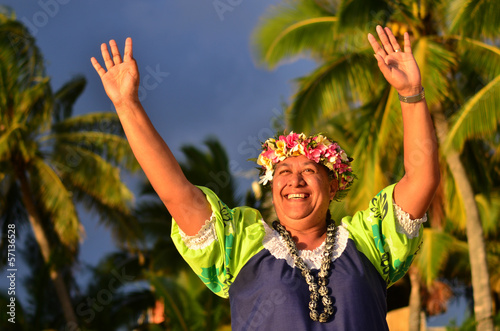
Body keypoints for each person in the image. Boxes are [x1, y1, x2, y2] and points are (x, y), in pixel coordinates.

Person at [91, 25, 439, 330]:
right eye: (284, 172)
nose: (295, 181)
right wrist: (127, 105)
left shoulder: (369, 240)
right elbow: (177, 194)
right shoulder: (240, 245)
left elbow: (422, 178)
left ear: (333, 185)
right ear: (272, 186)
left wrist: (411, 94)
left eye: (308, 171)